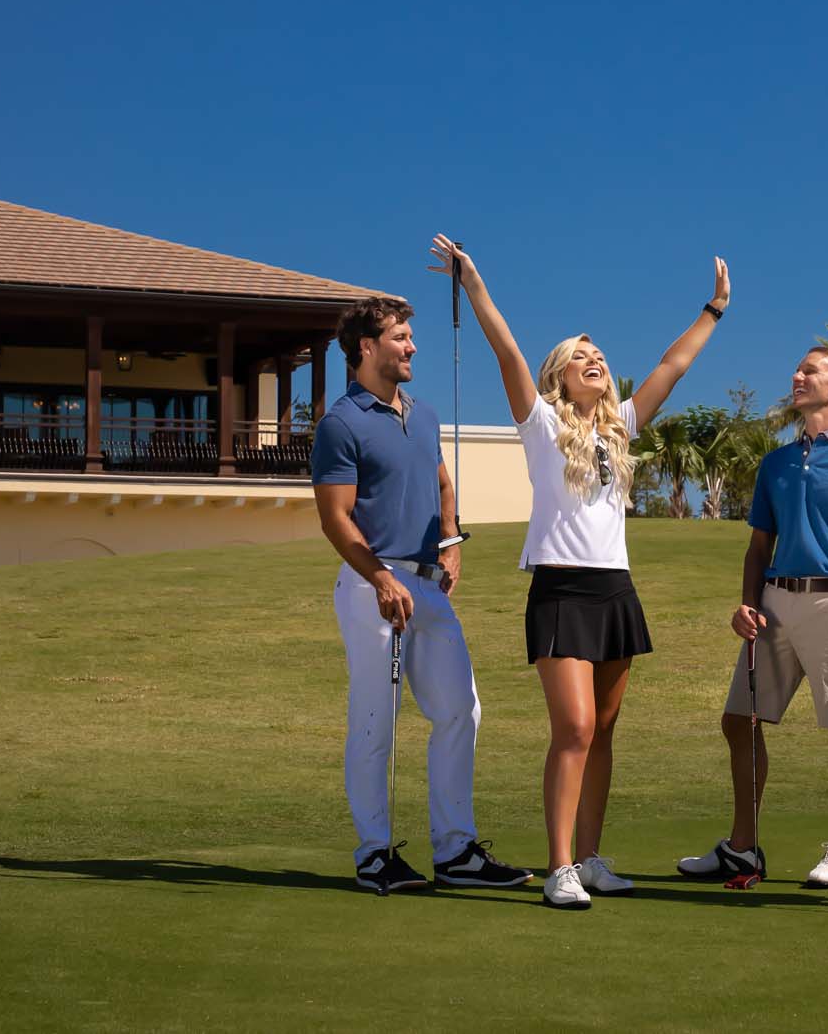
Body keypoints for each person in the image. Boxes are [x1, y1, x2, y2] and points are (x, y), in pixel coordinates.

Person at [431, 235, 729, 909]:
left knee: (605, 732)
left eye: (598, 356)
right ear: (559, 376)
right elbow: (507, 349)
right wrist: (473, 281)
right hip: (561, 590)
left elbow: (671, 367)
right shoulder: (539, 425)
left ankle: (590, 857)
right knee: (575, 728)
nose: (594, 361)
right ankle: (559, 865)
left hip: (615, 590)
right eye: (579, 358)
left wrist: (713, 309)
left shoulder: (620, 428)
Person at [311, 294, 531, 894]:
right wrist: (379, 577)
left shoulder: (424, 415)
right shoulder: (341, 423)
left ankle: (456, 851)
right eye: (401, 337)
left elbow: (440, 481)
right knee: (376, 722)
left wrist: (452, 540)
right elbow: (336, 518)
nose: (412, 347)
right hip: (371, 587)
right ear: (366, 346)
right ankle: (374, 854)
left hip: (428, 588)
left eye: (410, 337)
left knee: (462, 708)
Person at [677, 347, 828, 888]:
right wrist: (747, 602)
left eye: (810, 371)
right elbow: (757, 547)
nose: (797, 377)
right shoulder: (775, 463)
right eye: (795, 370)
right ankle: (743, 848)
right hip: (773, 606)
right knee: (738, 721)